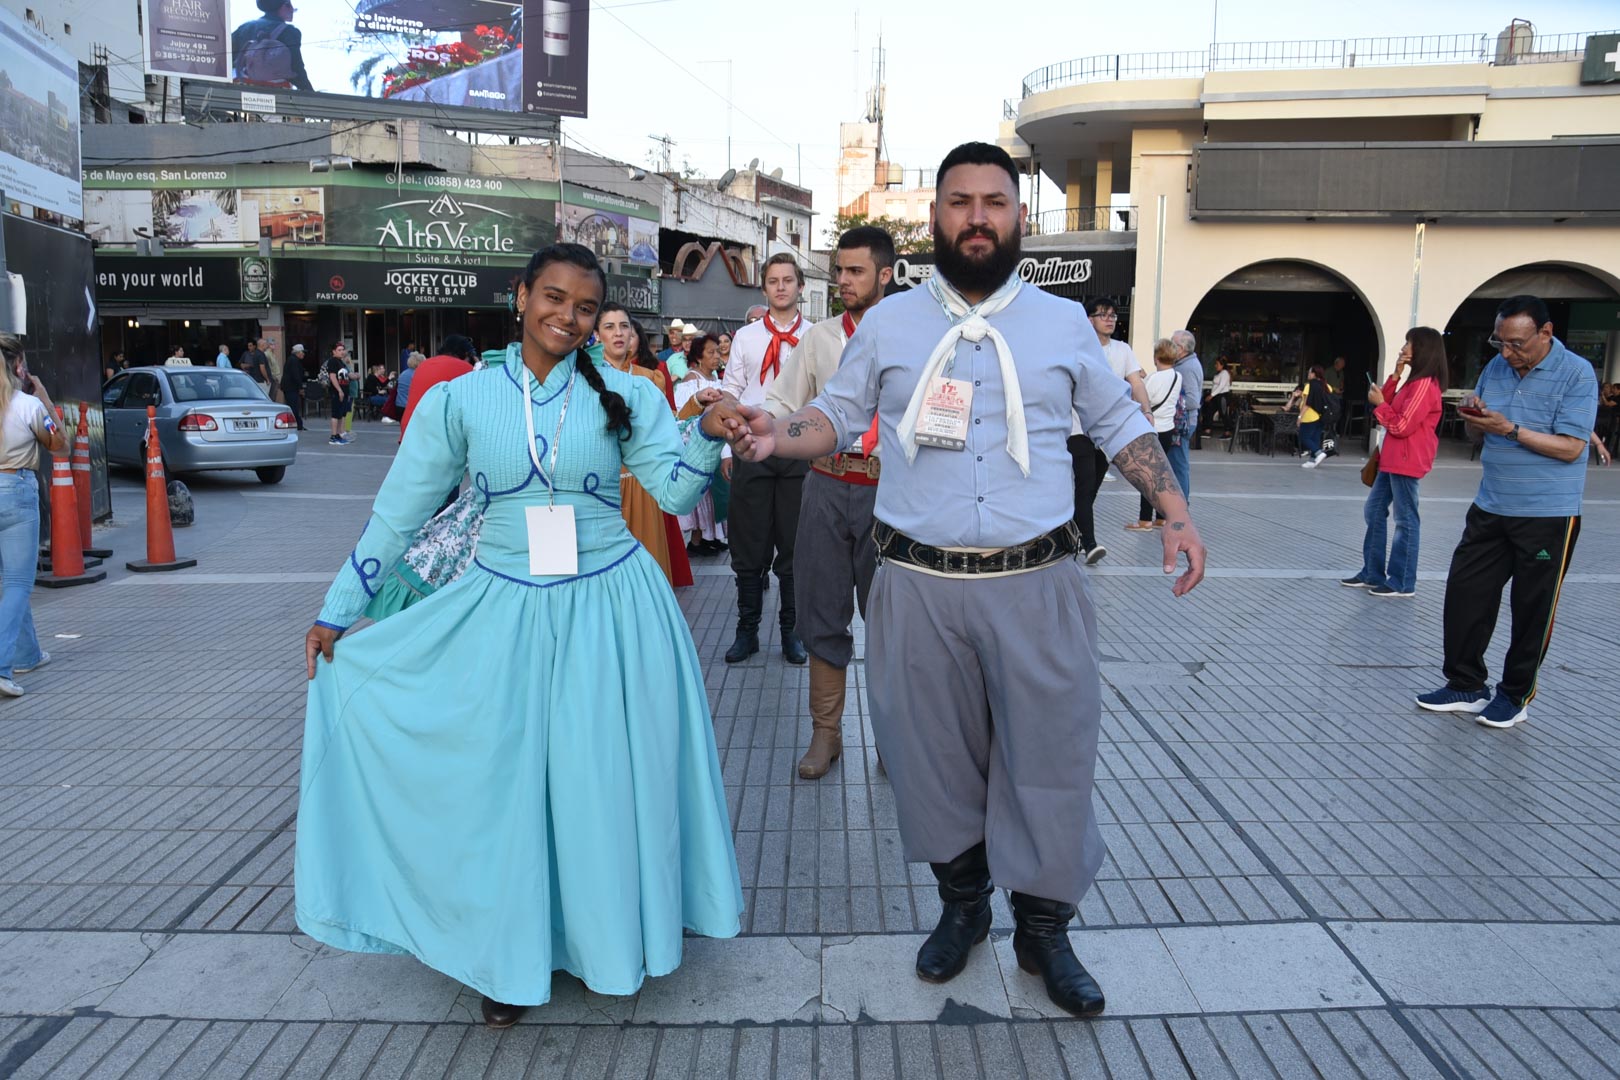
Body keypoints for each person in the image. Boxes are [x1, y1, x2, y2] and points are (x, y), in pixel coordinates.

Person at [712, 142, 1206, 1017]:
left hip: (1037, 581)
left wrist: (1174, 509)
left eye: (994, 202)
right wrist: (772, 435)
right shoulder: (890, 324)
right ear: (935, 218)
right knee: (931, 760)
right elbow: (837, 415)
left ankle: (1044, 931)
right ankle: (963, 907)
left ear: (1019, 217)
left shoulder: (1062, 323)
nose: (977, 217)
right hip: (916, 583)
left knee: (1050, 759)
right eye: (959, 202)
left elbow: (1117, 420)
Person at [298, 243, 743, 1029]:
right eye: (554, 298)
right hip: (499, 608)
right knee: (502, 785)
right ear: (521, 297)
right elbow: (400, 511)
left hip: (615, 612)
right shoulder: (462, 401)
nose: (567, 317)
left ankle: (609, 942)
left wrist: (705, 432)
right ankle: (508, 958)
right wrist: (340, 608)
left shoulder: (627, 396)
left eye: (585, 307)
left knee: (599, 780)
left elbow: (675, 494)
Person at [1417, 295, 1598, 730]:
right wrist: (1475, 418)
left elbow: (1572, 448)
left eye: (1517, 343)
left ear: (1546, 333)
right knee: (1466, 593)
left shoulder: (1577, 373)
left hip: (1548, 513)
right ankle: (1465, 684)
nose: (1507, 352)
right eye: (1500, 342)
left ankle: (1515, 695)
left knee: (1532, 607)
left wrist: (1511, 429)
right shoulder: (1495, 368)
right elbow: (1476, 434)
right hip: (1491, 505)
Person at [765, 225, 893, 779]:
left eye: (855, 271)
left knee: (891, 618)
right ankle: (826, 733)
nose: (842, 280)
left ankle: (893, 738)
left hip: (890, 492)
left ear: (885, 275)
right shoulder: (819, 338)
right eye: (839, 270)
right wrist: (752, 423)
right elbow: (781, 401)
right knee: (820, 609)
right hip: (824, 481)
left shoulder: (912, 336)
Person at [721, 253, 811, 666]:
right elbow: (731, 391)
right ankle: (747, 631)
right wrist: (727, 448)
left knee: (795, 545)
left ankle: (792, 632)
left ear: (800, 286)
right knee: (748, 544)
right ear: (764, 288)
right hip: (751, 446)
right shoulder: (746, 337)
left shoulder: (816, 336)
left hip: (798, 447)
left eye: (788, 280)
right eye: (773, 281)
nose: (781, 287)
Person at [1342, 328, 1446, 598]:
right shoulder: (1413, 382)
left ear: (1423, 349)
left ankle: (1402, 581)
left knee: (1405, 520)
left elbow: (1400, 425)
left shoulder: (1424, 385)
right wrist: (1395, 376)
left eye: (1409, 344)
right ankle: (1372, 573)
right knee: (1374, 511)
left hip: (1406, 460)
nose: (1403, 349)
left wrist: (1379, 404)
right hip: (1392, 459)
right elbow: (1386, 404)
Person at [0, 334, 69, 698]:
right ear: (18, 367)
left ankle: (27, 654)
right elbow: (60, 447)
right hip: (16, 492)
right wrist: (43, 396)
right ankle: (1, 667)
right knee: (17, 582)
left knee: (14, 579)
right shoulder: (28, 405)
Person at [598, 302, 684, 586]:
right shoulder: (585, 379)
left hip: (643, 484)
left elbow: (668, 428)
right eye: (609, 327)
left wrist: (696, 404)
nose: (618, 333)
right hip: (602, 486)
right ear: (596, 335)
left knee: (649, 575)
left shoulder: (650, 379)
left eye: (624, 326)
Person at [1070, 298, 1149, 565]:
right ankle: (1089, 544)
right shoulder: (1077, 349)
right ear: (1089, 320)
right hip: (1077, 427)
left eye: (1113, 315)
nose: (1110, 320)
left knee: (1090, 490)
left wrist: (1147, 411)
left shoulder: (1123, 350)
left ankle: (1070, 533)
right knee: (1085, 484)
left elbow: (1136, 382)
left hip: (1107, 432)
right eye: (1103, 315)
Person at [675, 334, 728, 555]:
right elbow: (683, 414)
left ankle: (711, 536)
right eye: (710, 352)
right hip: (698, 443)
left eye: (718, 352)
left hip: (718, 442)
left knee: (716, 492)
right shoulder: (691, 380)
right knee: (701, 494)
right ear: (698, 356)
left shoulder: (716, 379)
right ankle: (697, 540)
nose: (716, 356)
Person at [1124, 340, 1183, 530]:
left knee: (1146, 476)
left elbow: (1140, 398)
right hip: (1168, 428)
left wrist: (1138, 380)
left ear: (1156, 357)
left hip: (1151, 428)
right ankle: (1161, 517)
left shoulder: (1154, 378)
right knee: (1161, 475)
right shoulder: (1177, 376)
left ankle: (1145, 519)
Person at [400, 334, 477, 437]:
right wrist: (476, 361)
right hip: (435, 436)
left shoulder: (424, 365)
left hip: (408, 431)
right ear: (465, 354)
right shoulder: (465, 368)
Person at [231, 0, 313, 92]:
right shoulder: (289, 32)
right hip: (275, 90)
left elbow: (227, 58)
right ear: (278, 6)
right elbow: (296, 67)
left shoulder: (244, 28)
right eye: (288, 5)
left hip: (241, 87)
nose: (292, 9)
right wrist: (309, 91)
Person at [1167, 330, 1203, 491]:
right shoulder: (1186, 364)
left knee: (1178, 465)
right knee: (1176, 464)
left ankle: (1182, 502)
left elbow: (1193, 401)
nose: (1169, 347)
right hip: (1184, 421)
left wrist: (1170, 403)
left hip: (1183, 423)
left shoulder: (1187, 368)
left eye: (1172, 343)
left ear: (1180, 348)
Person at [1296, 365, 1332, 467]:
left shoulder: (1309, 386)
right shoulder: (1327, 386)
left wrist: (1300, 417)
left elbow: (1307, 403)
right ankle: (1312, 460)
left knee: (1304, 437)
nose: (1308, 374)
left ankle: (1318, 453)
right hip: (1321, 416)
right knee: (1315, 438)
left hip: (1309, 416)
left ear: (1314, 374)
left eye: (1309, 372)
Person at [322, 343, 352, 446]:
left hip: (344, 391)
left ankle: (339, 435)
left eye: (343, 350)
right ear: (334, 351)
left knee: (341, 415)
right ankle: (333, 436)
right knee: (336, 414)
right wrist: (339, 390)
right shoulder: (333, 361)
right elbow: (333, 377)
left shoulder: (341, 362)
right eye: (339, 350)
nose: (342, 352)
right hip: (337, 392)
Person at [281, 344, 307, 431]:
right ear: (298, 352)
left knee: (293, 406)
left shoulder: (293, 360)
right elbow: (296, 375)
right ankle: (297, 424)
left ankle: (297, 424)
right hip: (290, 387)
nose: (303, 354)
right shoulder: (293, 361)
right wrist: (301, 387)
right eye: (302, 352)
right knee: (293, 406)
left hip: (291, 387)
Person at [1206, 356, 1232, 432]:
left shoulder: (1225, 373)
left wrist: (1211, 395)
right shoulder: (1218, 373)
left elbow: (1221, 386)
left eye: (1217, 364)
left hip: (1222, 396)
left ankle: (1227, 431)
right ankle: (1208, 429)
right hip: (1216, 396)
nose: (1215, 366)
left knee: (1223, 413)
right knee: (1210, 411)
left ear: (1222, 365)